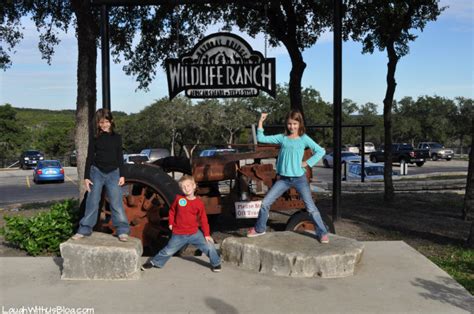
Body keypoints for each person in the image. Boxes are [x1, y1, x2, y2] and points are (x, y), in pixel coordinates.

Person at [247, 111, 330, 243]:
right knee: (265, 203)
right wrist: (261, 122)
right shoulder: (282, 138)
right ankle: (260, 228)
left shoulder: (304, 139)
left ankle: (322, 233)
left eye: (295, 124)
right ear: (287, 124)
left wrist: (307, 163)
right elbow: (262, 138)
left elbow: (321, 151)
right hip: (284, 180)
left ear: (299, 124)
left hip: (300, 179)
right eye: (290, 124)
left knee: (311, 208)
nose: (292, 126)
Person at [141, 175, 222, 272]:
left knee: (209, 246)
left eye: (188, 186)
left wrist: (207, 234)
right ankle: (154, 262)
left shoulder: (198, 203)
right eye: (183, 187)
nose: (186, 189)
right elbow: (172, 211)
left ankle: (216, 263)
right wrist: (171, 223)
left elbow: (203, 219)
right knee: (168, 250)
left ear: (194, 186)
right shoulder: (179, 199)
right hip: (179, 234)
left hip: (194, 233)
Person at [72, 109, 130, 242]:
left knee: (116, 202)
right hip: (96, 172)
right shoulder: (94, 139)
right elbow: (89, 158)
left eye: (107, 122)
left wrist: (122, 175)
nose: (104, 125)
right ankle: (84, 229)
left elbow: (120, 157)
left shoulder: (117, 138)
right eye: (101, 122)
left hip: (113, 173)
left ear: (111, 122)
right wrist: (86, 177)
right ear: (98, 124)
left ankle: (122, 230)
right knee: (92, 202)